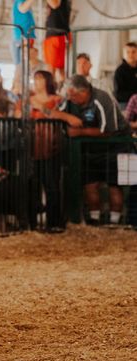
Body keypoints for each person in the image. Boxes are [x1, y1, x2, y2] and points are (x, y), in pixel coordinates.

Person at [50, 75, 130, 225]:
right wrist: (66, 116)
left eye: (73, 95)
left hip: (115, 147)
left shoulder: (101, 99)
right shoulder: (70, 99)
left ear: (84, 92)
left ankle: (114, 224)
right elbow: (49, 112)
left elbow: (108, 131)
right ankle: (94, 222)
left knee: (114, 186)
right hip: (91, 150)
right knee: (90, 185)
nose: (70, 98)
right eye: (69, 94)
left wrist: (80, 132)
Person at [29, 70, 65, 232]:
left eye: (40, 78)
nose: (36, 81)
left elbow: (58, 116)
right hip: (32, 147)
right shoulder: (27, 100)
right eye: (35, 79)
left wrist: (40, 107)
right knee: (32, 186)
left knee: (52, 186)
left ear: (47, 81)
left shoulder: (57, 99)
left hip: (51, 146)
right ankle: (32, 223)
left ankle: (53, 223)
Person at [43, 0, 71, 83]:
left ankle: (52, 91)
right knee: (59, 69)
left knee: (52, 69)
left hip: (56, 35)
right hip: (59, 34)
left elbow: (54, 5)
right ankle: (61, 90)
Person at [11, 0, 36, 65]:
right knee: (20, 65)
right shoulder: (19, 1)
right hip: (22, 37)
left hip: (25, 36)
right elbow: (22, 9)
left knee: (24, 64)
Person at [113, 41, 137, 109]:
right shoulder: (119, 71)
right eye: (128, 52)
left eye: (133, 52)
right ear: (124, 54)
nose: (131, 55)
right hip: (125, 103)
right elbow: (118, 95)